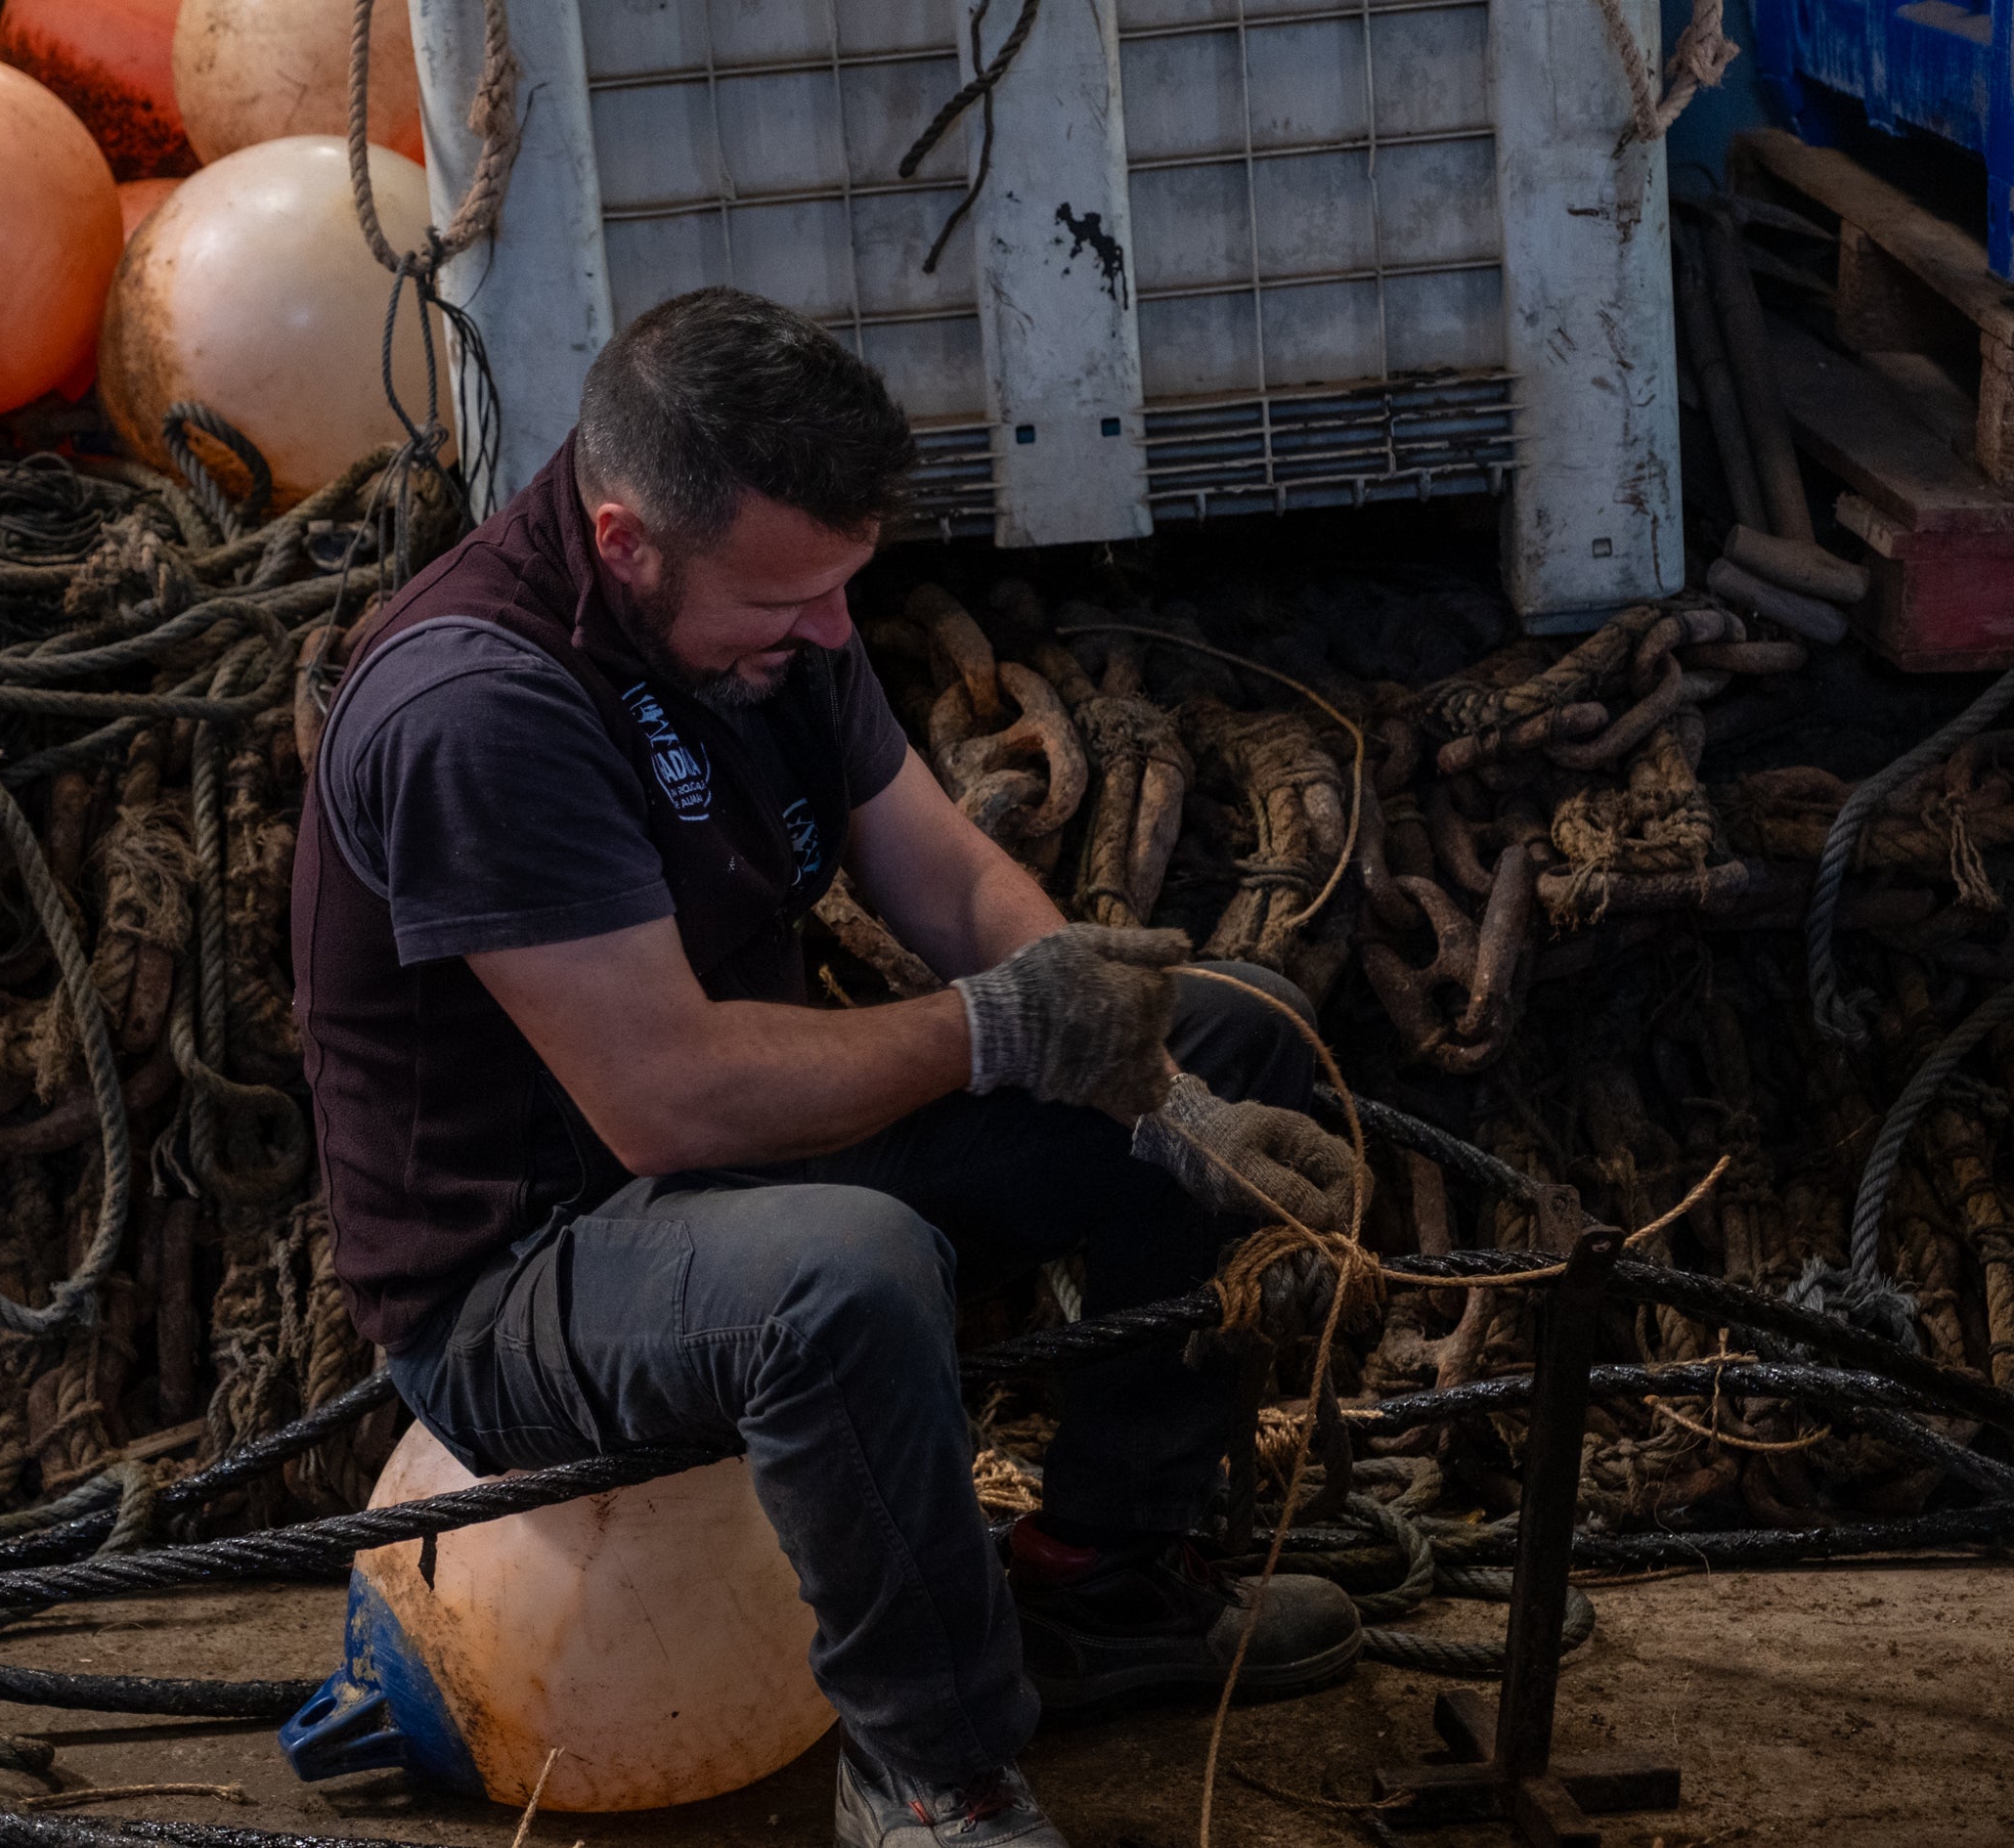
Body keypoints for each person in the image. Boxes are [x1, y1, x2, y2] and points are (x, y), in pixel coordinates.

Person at [291, 286, 1363, 1847]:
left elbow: (946, 883)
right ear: (621, 541)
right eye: (790, 603)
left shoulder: (772, 621)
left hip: (741, 1168)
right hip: (526, 1268)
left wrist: (1115, 1041)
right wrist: (1000, 1032)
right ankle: (931, 1765)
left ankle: (1101, 1587)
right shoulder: (480, 707)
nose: (832, 634)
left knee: (1236, 1020)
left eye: (844, 589)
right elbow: (667, 1099)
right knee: (842, 1273)